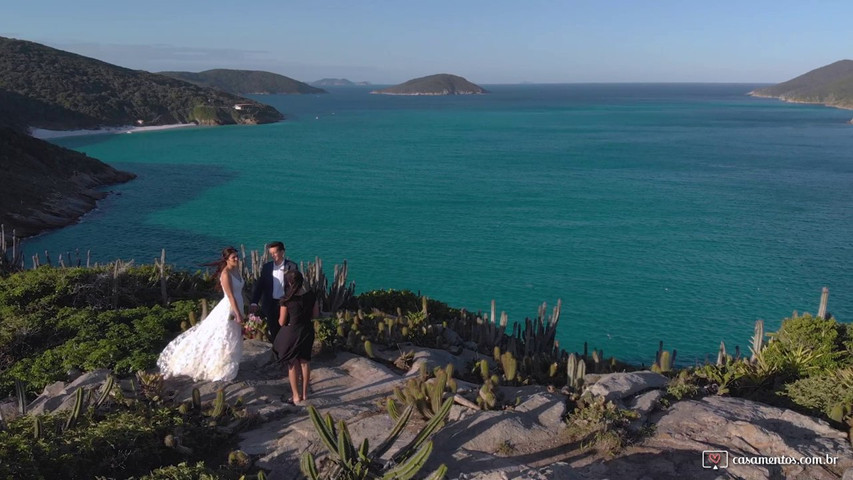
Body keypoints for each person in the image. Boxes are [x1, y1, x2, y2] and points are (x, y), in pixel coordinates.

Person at [157, 247, 244, 382]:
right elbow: (231, 296)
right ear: (226, 259)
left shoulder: (236, 270)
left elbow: (239, 292)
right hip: (230, 308)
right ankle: (219, 366)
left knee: (233, 335)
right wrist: (238, 313)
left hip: (239, 304)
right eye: (234, 257)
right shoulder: (226, 274)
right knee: (224, 335)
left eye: (237, 256)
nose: (237, 259)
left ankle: (229, 362)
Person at [273, 270, 319, 404]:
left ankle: (296, 396)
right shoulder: (311, 296)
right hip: (307, 330)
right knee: (305, 362)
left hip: (292, 331)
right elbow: (315, 315)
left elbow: (281, 322)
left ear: (289, 282)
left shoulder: (286, 300)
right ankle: (305, 394)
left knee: (292, 363)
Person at [250, 241, 298, 343]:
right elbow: (260, 286)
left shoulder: (292, 266)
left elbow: (296, 286)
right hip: (271, 304)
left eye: (275, 252)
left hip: (286, 303)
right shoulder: (267, 267)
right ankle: (277, 355)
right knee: (273, 331)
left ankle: (285, 354)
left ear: (282, 252)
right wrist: (254, 302)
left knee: (286, 331)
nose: (273, 255)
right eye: (271, 253)